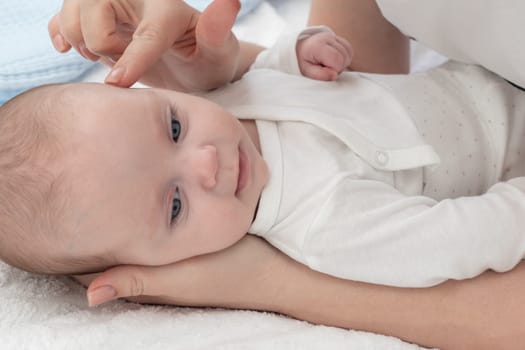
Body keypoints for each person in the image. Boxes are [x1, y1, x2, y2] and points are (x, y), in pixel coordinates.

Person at [30, 0, 525, 348]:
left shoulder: (229, 106)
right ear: (161, 266)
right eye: (175, 205)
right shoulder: (322, 227)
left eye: (173, 125)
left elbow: (277, 75)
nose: (206, 162)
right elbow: (459, 240)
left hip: (487, 84)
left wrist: (306, 51)